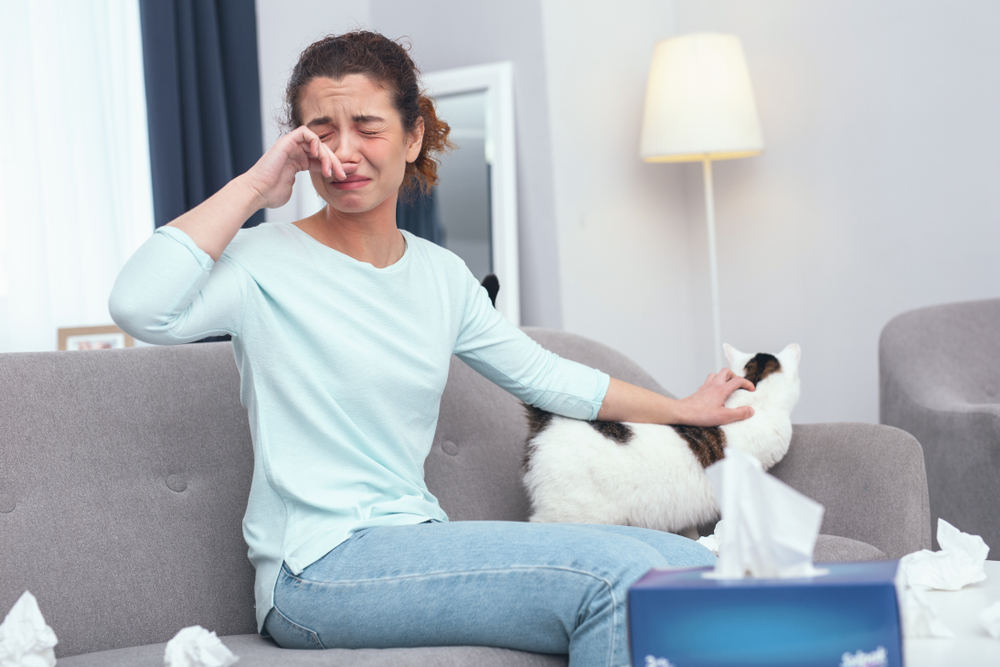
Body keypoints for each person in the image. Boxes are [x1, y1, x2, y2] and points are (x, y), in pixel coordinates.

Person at [109, 30, 754, 667]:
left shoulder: (442, 276)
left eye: (367, 126)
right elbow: (141, 306)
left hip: (414, 540)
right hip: (315, 571)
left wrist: (685, 409)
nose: (345, 152)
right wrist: (255, 186)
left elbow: (545, 376)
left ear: (412, 136)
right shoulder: (261, 262)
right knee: (620, 575)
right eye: (321, 131)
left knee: (695, 564)